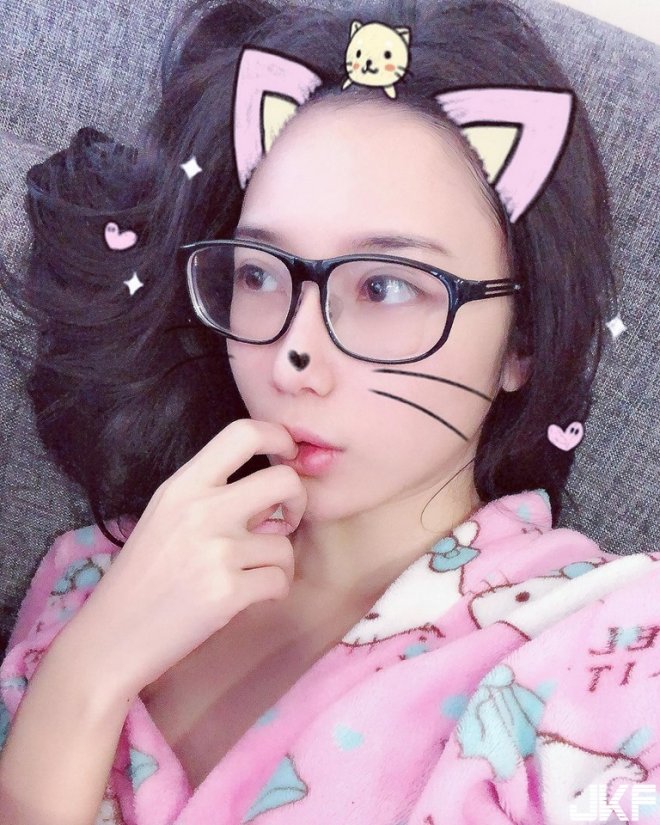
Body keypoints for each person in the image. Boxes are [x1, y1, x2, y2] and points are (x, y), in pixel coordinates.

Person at [1, 0, 659, 823]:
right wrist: (84, 677)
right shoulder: (93, 572)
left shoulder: (608, 640)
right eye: (259, 273)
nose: (293, 357)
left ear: (521, 339)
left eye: (384, 286)